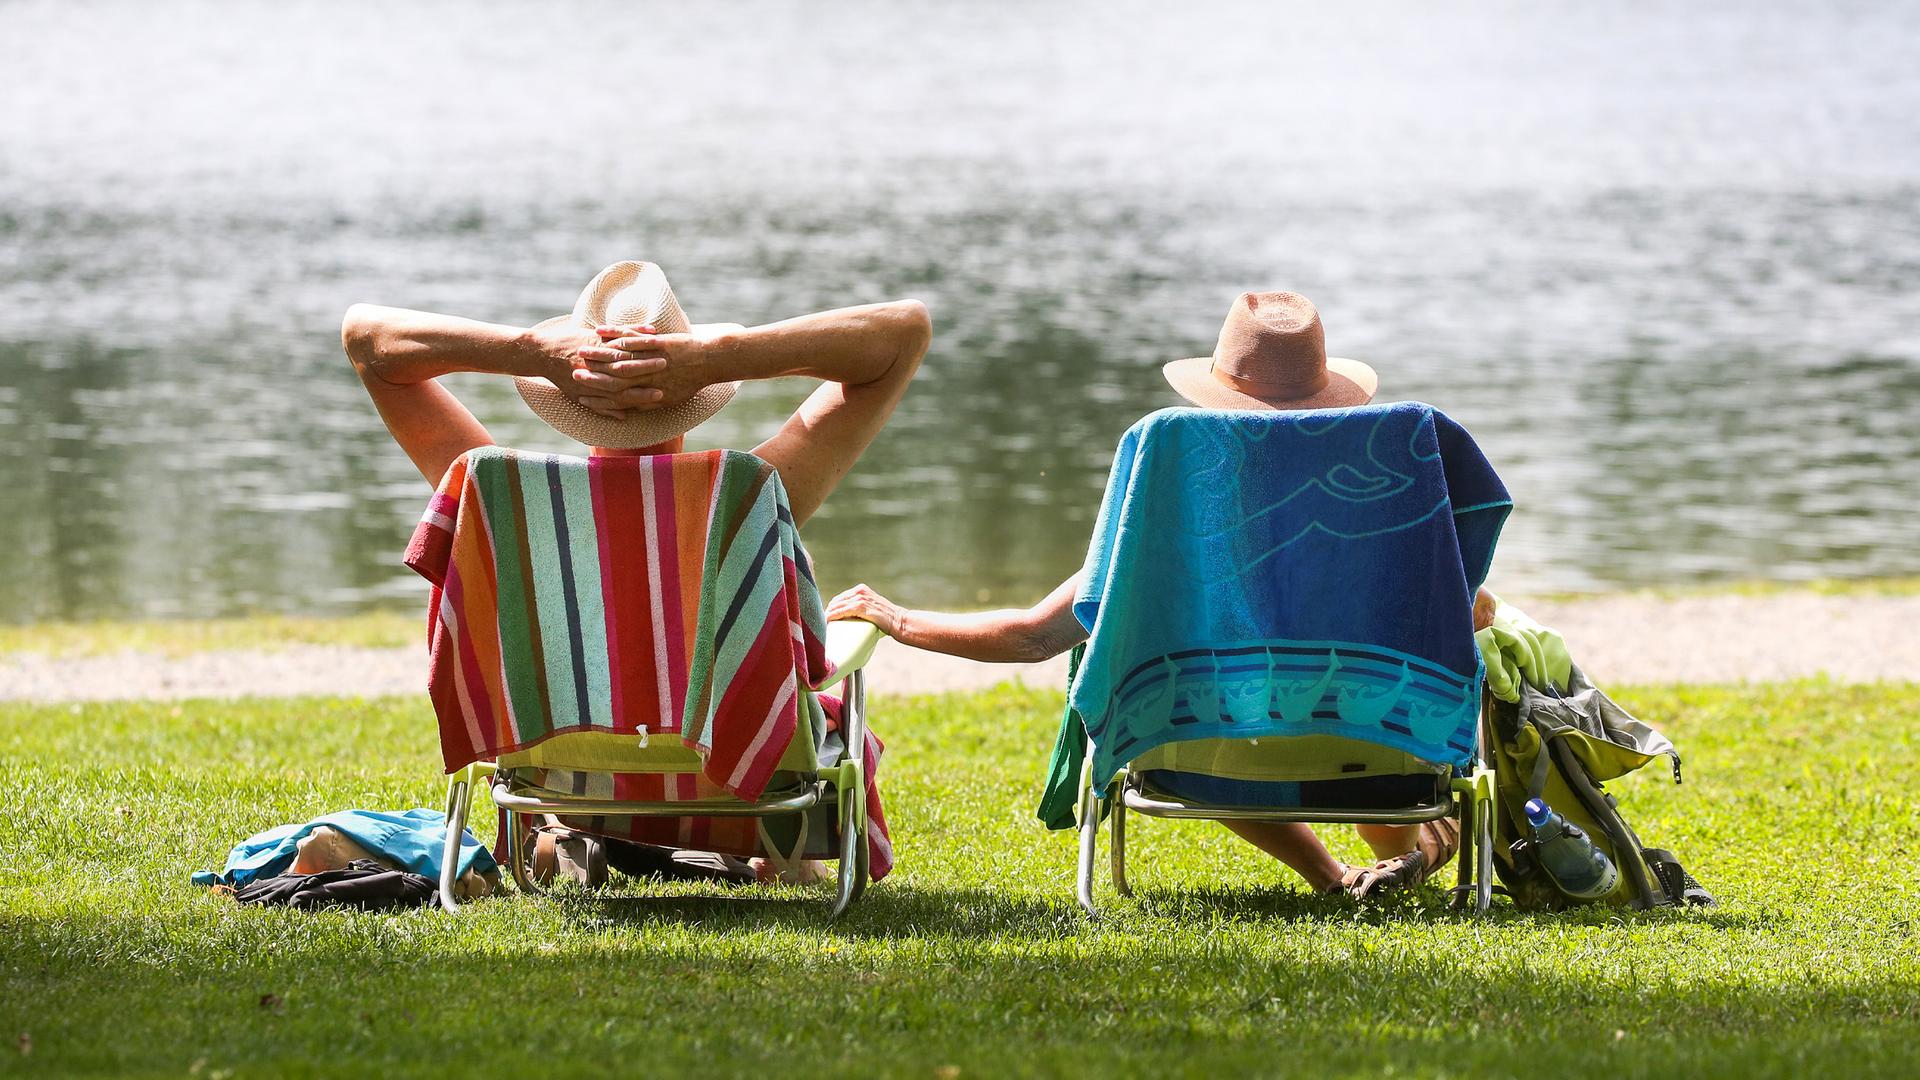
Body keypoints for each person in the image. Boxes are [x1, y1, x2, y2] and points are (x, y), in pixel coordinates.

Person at [827, 291, 1488, 899]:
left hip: (1196, 759)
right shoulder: (1388, 529)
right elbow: (1466, 619)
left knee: (1201, 704)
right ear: (1328, 399)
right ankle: (1413, 847)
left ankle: (1332, 874)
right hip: (1387, 771)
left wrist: (898, 619)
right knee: (1367, 707)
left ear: (1217, 404)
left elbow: (1034, 636)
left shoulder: (1166, 526)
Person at [343, 260, 930, 883]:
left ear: (565, 395)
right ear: (693, 398)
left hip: (561, 782)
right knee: (830, 710)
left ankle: (568, 837)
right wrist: (715, 356)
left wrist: (530, 352)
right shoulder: (742, 496)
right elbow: (905, 332)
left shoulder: (498, 497)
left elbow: (365, 337)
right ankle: (779, 853)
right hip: (737, 778)